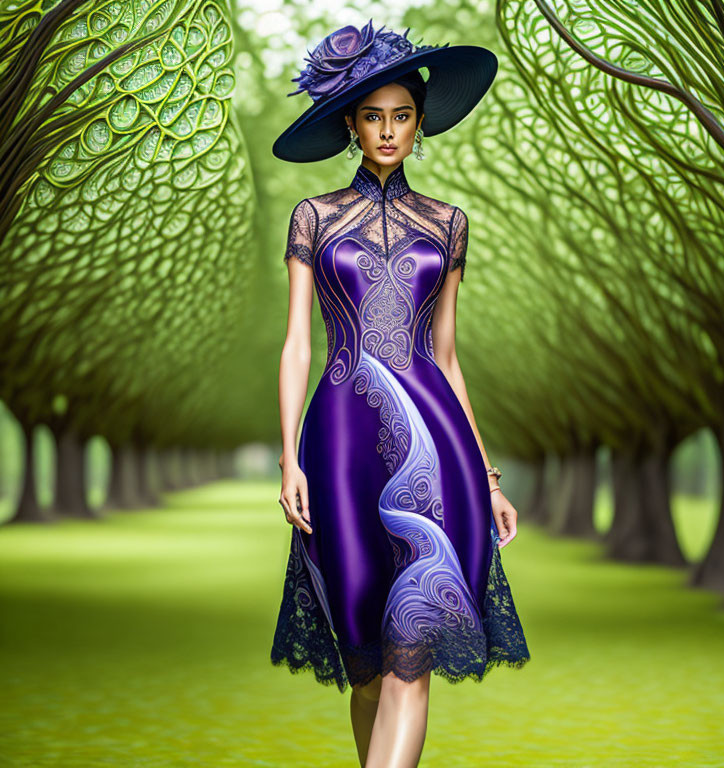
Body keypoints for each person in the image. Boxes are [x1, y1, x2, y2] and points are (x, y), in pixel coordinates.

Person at [271, 19, 531, 768]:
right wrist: (289, 459)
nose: (389, 130)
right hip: (340, 445)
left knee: (410, 657)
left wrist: (485, 473)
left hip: (438, 450)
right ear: (350, 125)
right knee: (364, 670)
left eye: (403, 115)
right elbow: (296, 344)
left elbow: (448, 356)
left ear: (420, 124)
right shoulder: (313, 218)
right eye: (373, 116)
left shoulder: (448, 224)